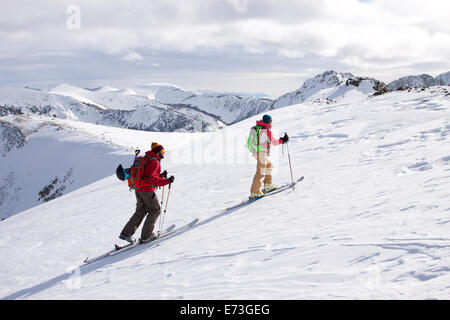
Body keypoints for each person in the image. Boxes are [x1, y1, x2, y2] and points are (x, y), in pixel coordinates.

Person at [119, 142, 174, 243]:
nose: (163, 153)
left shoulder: (148, 159)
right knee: (155, 210)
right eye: (162, 151)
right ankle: (146, 235)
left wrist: (161, 175)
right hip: (147, 190)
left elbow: (147, 175)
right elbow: (153, 180)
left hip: (138, 189)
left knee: (141, 211)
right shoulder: (155, 162)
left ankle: (126, 233)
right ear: (158, 152)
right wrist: (167, 181)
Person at [249, 114, 288, 199]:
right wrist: (283, 140)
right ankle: (255, 192)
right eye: (271, 121)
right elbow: (274, 142)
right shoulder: (266, 130)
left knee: (269, 166)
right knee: (260, 172)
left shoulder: (258, 127)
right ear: (269, 121)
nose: (271, 123)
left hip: (257, 152)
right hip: (262, 152)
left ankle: (268, 185)